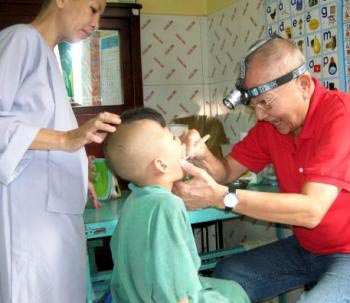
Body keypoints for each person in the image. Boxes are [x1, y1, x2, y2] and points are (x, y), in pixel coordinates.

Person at [173, 35, 350, 303]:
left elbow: (311, 210)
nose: (260, 115)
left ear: (303, 85)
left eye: (266, 102)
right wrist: (202, 153)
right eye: (254, 106)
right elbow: (225, 172)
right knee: (227, 276)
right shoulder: (272, 126)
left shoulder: (340, 116)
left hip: (347, 253)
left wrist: (221, 197)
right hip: (306, 248)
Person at [0, 0, 121, 302]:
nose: (96, 23)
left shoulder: (48, 57)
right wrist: (68, 140)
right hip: (29, 223)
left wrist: (77, 173)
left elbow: (34, 132)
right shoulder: (22, 39)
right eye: (94, 8)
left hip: (53, 220)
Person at [103, 107, 250, 303]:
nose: (182, 143)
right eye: (173, 139)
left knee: (231, 288)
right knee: (235, 295)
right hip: (175, 297)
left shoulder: (134, 201)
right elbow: (176, 273)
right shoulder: (168, 204)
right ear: (161, 165)